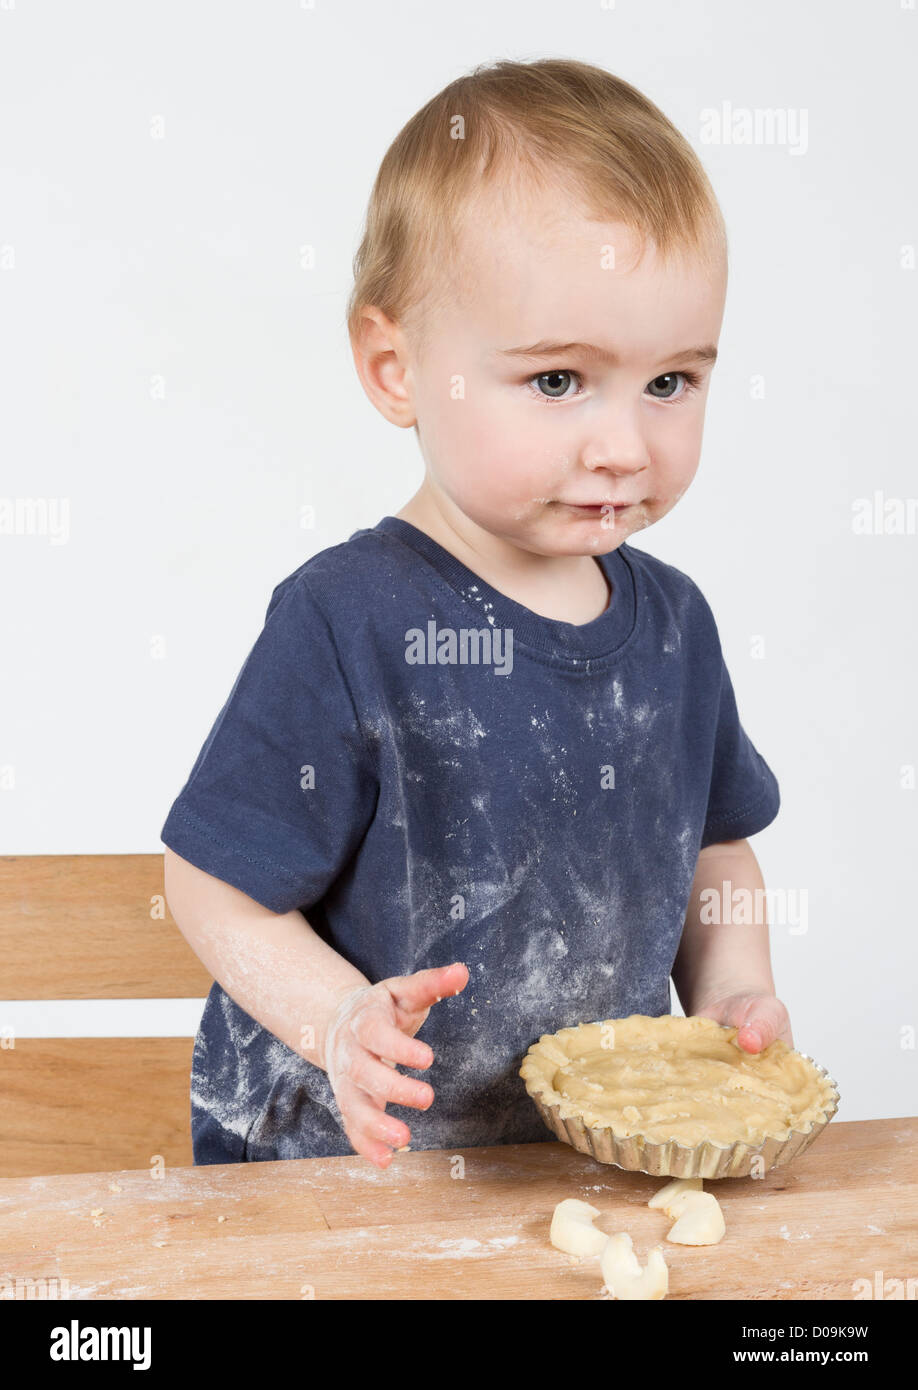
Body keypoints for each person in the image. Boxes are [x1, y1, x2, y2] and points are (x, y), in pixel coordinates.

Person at [162, 57, 789, 1169]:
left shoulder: (677, 629)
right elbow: (210, 883)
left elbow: (717, 850)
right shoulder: (347, 620)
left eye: (672, 382)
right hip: (340, 1171)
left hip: (571, 1164)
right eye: (558, 382)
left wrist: (737, 984)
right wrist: (336, 1020)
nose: (624, 444)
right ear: (398, 368)